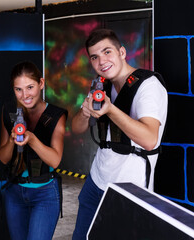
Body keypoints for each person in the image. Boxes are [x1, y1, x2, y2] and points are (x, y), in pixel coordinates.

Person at [71, 28, 168, 239]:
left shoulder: (148, 86)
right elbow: (76, 128)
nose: (101, 61)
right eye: (94, 57)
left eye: (107, 52)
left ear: (122, 52)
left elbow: (150, 140)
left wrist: (111, 109)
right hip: (96, 181)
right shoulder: (101, 85)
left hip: (128, 189)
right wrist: (85, 111)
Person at [0, 61, 67, 240]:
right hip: (14, 191)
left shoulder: (56, 115)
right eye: (18, 89)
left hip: (44, 193)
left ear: (41, 84)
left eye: (30, 87)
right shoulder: (8, 110)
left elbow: (55, 160)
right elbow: (4, 158)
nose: (25, 95)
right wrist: (13, 141)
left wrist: (33, 139)